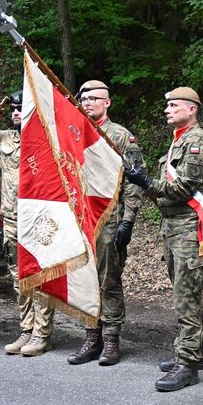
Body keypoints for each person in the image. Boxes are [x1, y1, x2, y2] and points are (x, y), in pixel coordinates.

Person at [124, 87, 203, 392]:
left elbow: (183, 188)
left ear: (192, 109)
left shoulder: (197, 142)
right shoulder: (179, 140)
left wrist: (146, 182)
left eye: (174, 105)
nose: (167, 109)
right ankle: (195, 351)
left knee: (186, 297)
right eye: (167, 105)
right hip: (173, 226)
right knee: (186, 292)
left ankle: (187, 364)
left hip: (189, 227)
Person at [0, 91, 56, 356]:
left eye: (21, 108)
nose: (16, 112)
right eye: (13, 108)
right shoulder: (4, 138)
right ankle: (26, 329)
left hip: (39, 217)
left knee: (39, 276)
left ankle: (41, 334)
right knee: (18, 276)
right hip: (13, 218)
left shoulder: (47, 137)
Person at [67, 80, 144, 367]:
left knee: (108, 279)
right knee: (85, 279)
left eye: (93, 98)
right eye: (83, 99)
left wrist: (128, 221)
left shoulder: (121, 136)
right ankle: (92, 336)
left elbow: (134, 181)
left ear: (107, 102)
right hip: (81, 218)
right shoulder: (73, 134)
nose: (87, 103)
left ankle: (111, 338)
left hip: (109, 219)